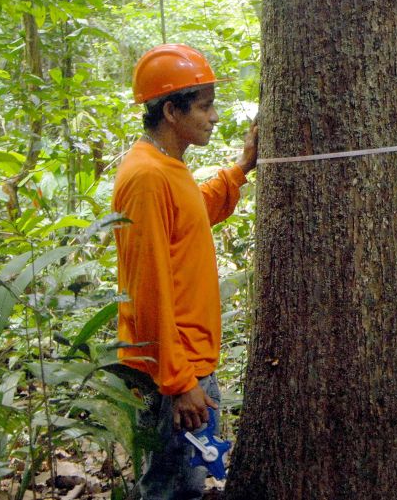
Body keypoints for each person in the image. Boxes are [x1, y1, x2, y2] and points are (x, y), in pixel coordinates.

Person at [112, 43, 258, 499]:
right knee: (172, 491)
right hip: (173, 373)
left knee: (183, 486)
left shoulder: (167, 166)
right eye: (204, 106)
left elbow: (190, 215)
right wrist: (178, 382)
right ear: (172, 111)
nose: (213, 117)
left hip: (185, 363)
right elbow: (147, 287)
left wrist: (239, 169)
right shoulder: (147, 176)